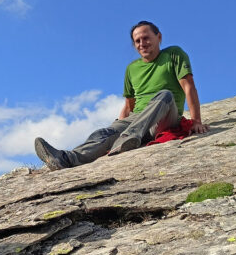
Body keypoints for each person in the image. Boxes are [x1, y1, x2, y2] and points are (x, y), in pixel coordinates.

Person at [34, 20, 208, 170]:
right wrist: (114, 128)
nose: (142, 43)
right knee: (104, 132)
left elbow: (189, 87)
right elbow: (128, 105)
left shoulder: (173, 54)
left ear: (159, 37)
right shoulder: (132, 69)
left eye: (146, 38)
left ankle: (129, 138)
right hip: (138, 119)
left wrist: (196, 121)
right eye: (137, 41)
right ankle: (66, 158)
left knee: (165, 95)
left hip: (164, 118)